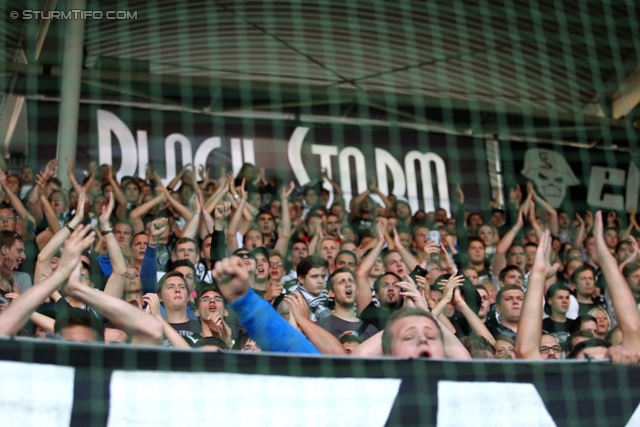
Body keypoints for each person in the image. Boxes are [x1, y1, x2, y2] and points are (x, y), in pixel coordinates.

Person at [316, 268, 378, 340]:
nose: (348, 284)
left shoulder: (372, 330)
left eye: (351, 281)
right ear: (331, 293)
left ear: (357, 291)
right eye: (341, 282)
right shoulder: (320, 327)